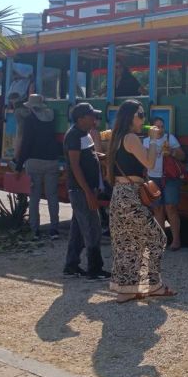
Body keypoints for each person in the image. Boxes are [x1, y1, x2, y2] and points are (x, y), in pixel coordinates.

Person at [106, 99, 175, 303]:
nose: (143, 119)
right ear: (131, 117)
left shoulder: (117, 138)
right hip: (130, 194)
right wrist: (154, 141)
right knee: (157, 238)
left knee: (127, 242)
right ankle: (154, 285)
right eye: (141, 115)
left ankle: (125, 290)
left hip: (119, 194)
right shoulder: (131, 137)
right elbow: (150, 163)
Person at [63, 102, 110, 281]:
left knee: (78, 230)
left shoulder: (85, 134)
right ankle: (94, 268)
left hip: (87, 189)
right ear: (81, 118)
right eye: (91, 116)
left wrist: (100, 157)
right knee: (92, 228)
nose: (95, 118)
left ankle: (71, 265)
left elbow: (87, 156)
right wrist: (88, 192)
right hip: (81, 190)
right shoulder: (74, 136)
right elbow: (75, 165)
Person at [15, 94, 61, 240]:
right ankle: (54, 230)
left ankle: (35, 230)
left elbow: (26, 144)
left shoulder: (29, 120)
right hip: (52, 161)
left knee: (34, 197)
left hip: (34, 162)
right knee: (52, 196)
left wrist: (18, 166)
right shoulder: (52, 118)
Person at [143, 116, 186, 250]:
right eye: (157, 127)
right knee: (157, 209)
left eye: (162, 126)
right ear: (151, 128)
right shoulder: (146, 141)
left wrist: (171, 152)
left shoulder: (169, 138)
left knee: (171, 207)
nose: (160, 129)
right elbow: (143, 161)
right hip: (152, 177)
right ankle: (161, 239)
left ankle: (176, 240)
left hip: (169, 177)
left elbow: (182, 156)